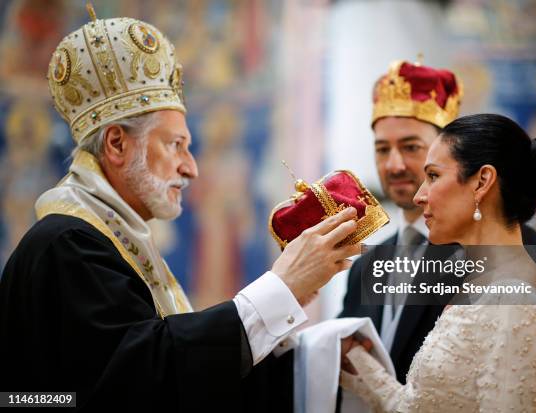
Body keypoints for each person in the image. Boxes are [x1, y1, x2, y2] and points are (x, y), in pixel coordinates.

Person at [0, 7, 360, 411]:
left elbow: (177, 372)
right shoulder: (69, 244)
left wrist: (318, 356)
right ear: (117, 145)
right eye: (175, 145)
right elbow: (140, 381)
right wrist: (281, 287)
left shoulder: (108, 239)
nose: (191, 167)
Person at [338, 60, 536, 389]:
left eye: (411, 147)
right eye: (382, 149)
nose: (394, 165)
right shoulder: (367, 264)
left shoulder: (509, 248)